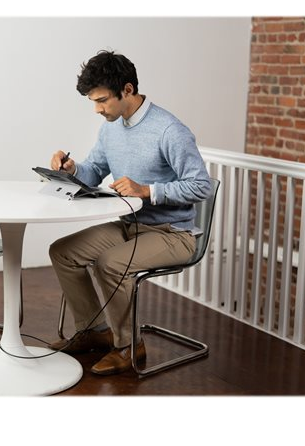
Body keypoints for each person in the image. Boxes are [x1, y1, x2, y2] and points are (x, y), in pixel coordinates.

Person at [48, 50, 211, 375]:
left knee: (110, 264)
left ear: (127, 89)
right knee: (63, 252)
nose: (97, 109)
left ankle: (129, 346)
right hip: (130, 225)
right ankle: (94, 332)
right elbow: (94, 170)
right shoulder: (111, 128)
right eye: (93, 102)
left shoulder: (169, 130)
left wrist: (147, 190)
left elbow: (201, 186)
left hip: (173, 234)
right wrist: (72, 169)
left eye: (102, 100)